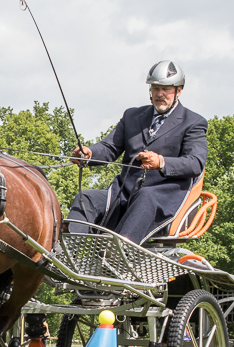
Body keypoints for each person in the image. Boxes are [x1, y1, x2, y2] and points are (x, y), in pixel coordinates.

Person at [67, 60, 207, 245]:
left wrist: (161, 162)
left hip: (162, 197)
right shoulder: (132, 116)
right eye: (155, 88)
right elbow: (110, 147)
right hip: (123, 192)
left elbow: (195, 162)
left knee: (145, 197)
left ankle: (118, 251)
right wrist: (90, 153)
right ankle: (68, 250)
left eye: (165, 89)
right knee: (86, 198)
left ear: (178, 90)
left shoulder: (193, 122)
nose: (159, 94)